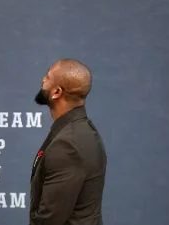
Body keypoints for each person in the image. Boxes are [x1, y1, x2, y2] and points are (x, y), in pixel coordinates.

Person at [30, 59, 107, 225]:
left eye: (47, 77)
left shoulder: (67, 145)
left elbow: (49, 220)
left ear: (56, 92)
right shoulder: (82, 131)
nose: (43, 80)